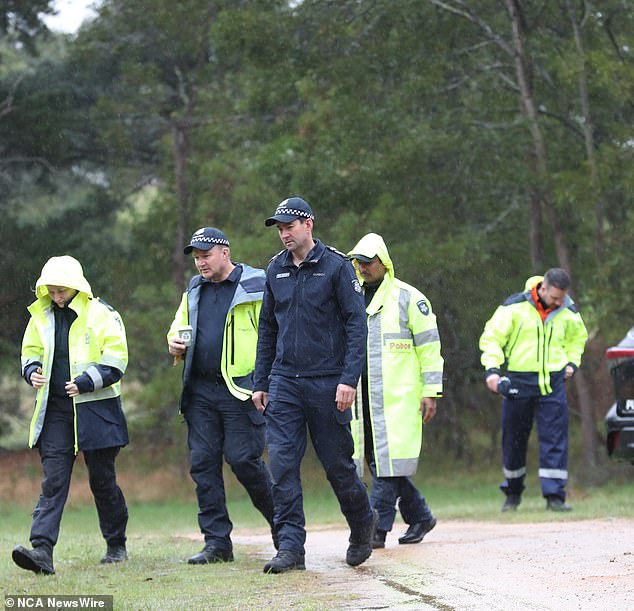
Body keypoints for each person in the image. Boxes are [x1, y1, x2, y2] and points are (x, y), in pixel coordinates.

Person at [253, 196, 377, 574]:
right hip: (285, 383)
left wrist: (348, 379)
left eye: (289, 226)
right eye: (279, 229)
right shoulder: (275, 270)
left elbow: (357, 327)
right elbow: (268, 329)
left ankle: (361, 523)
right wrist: (261, 381)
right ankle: (290, 546)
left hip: (328, 383)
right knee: (284, 467)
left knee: (338, 466)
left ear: (308, 224)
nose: (284, 234)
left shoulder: (338, 267)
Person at [13, 256, 129, 575]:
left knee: (102, 481)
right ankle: (42, 551)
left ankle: (116, 544)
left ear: (76, 286)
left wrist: (85, 382)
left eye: (61, 290)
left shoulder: (103, 314)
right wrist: (32, 370)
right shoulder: (40, 317)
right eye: (50, 290)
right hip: (55, 412)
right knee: (53, 482)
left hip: (97, 410)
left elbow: (117, 360)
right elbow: (30, 352)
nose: (56, 296)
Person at [167, 227, 276, 564]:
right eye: (196, 257)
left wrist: (265, 382)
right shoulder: (194, 288)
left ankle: (284, 526)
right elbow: (179, 325)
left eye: (206, 254)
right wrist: (173, 342)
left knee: (244, 460)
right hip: (200, 392)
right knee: (203, 465)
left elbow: (272, 334)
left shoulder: (256, 285)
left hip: (240, 390)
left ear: (224, 252)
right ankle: (217, 544)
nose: (200, 262)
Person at [348, 233, 443, 549]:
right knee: (382, 464)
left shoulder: (408, 298)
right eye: (358, 262)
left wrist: (431, 391)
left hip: (399, 400)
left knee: (389, 465)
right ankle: (421, 516)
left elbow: (430, 348)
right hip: (362, 400)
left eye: (368, 262)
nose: (362, 267)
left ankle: (376, 528)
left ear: (383, 262)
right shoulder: (351, 295)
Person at [479, 268, 588, 512]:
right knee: (514, 440)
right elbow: (492, 338)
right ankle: (513, 494)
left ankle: (555, 497)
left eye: (563, 297)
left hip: (553, 382)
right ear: (543, 288)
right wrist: (493, 370)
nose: (560, 302)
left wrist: (571, 363)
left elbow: (577, 339)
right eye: (556, 297)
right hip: (519, 381)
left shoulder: (567, 309)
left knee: (555, 440)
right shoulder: (514, 306)